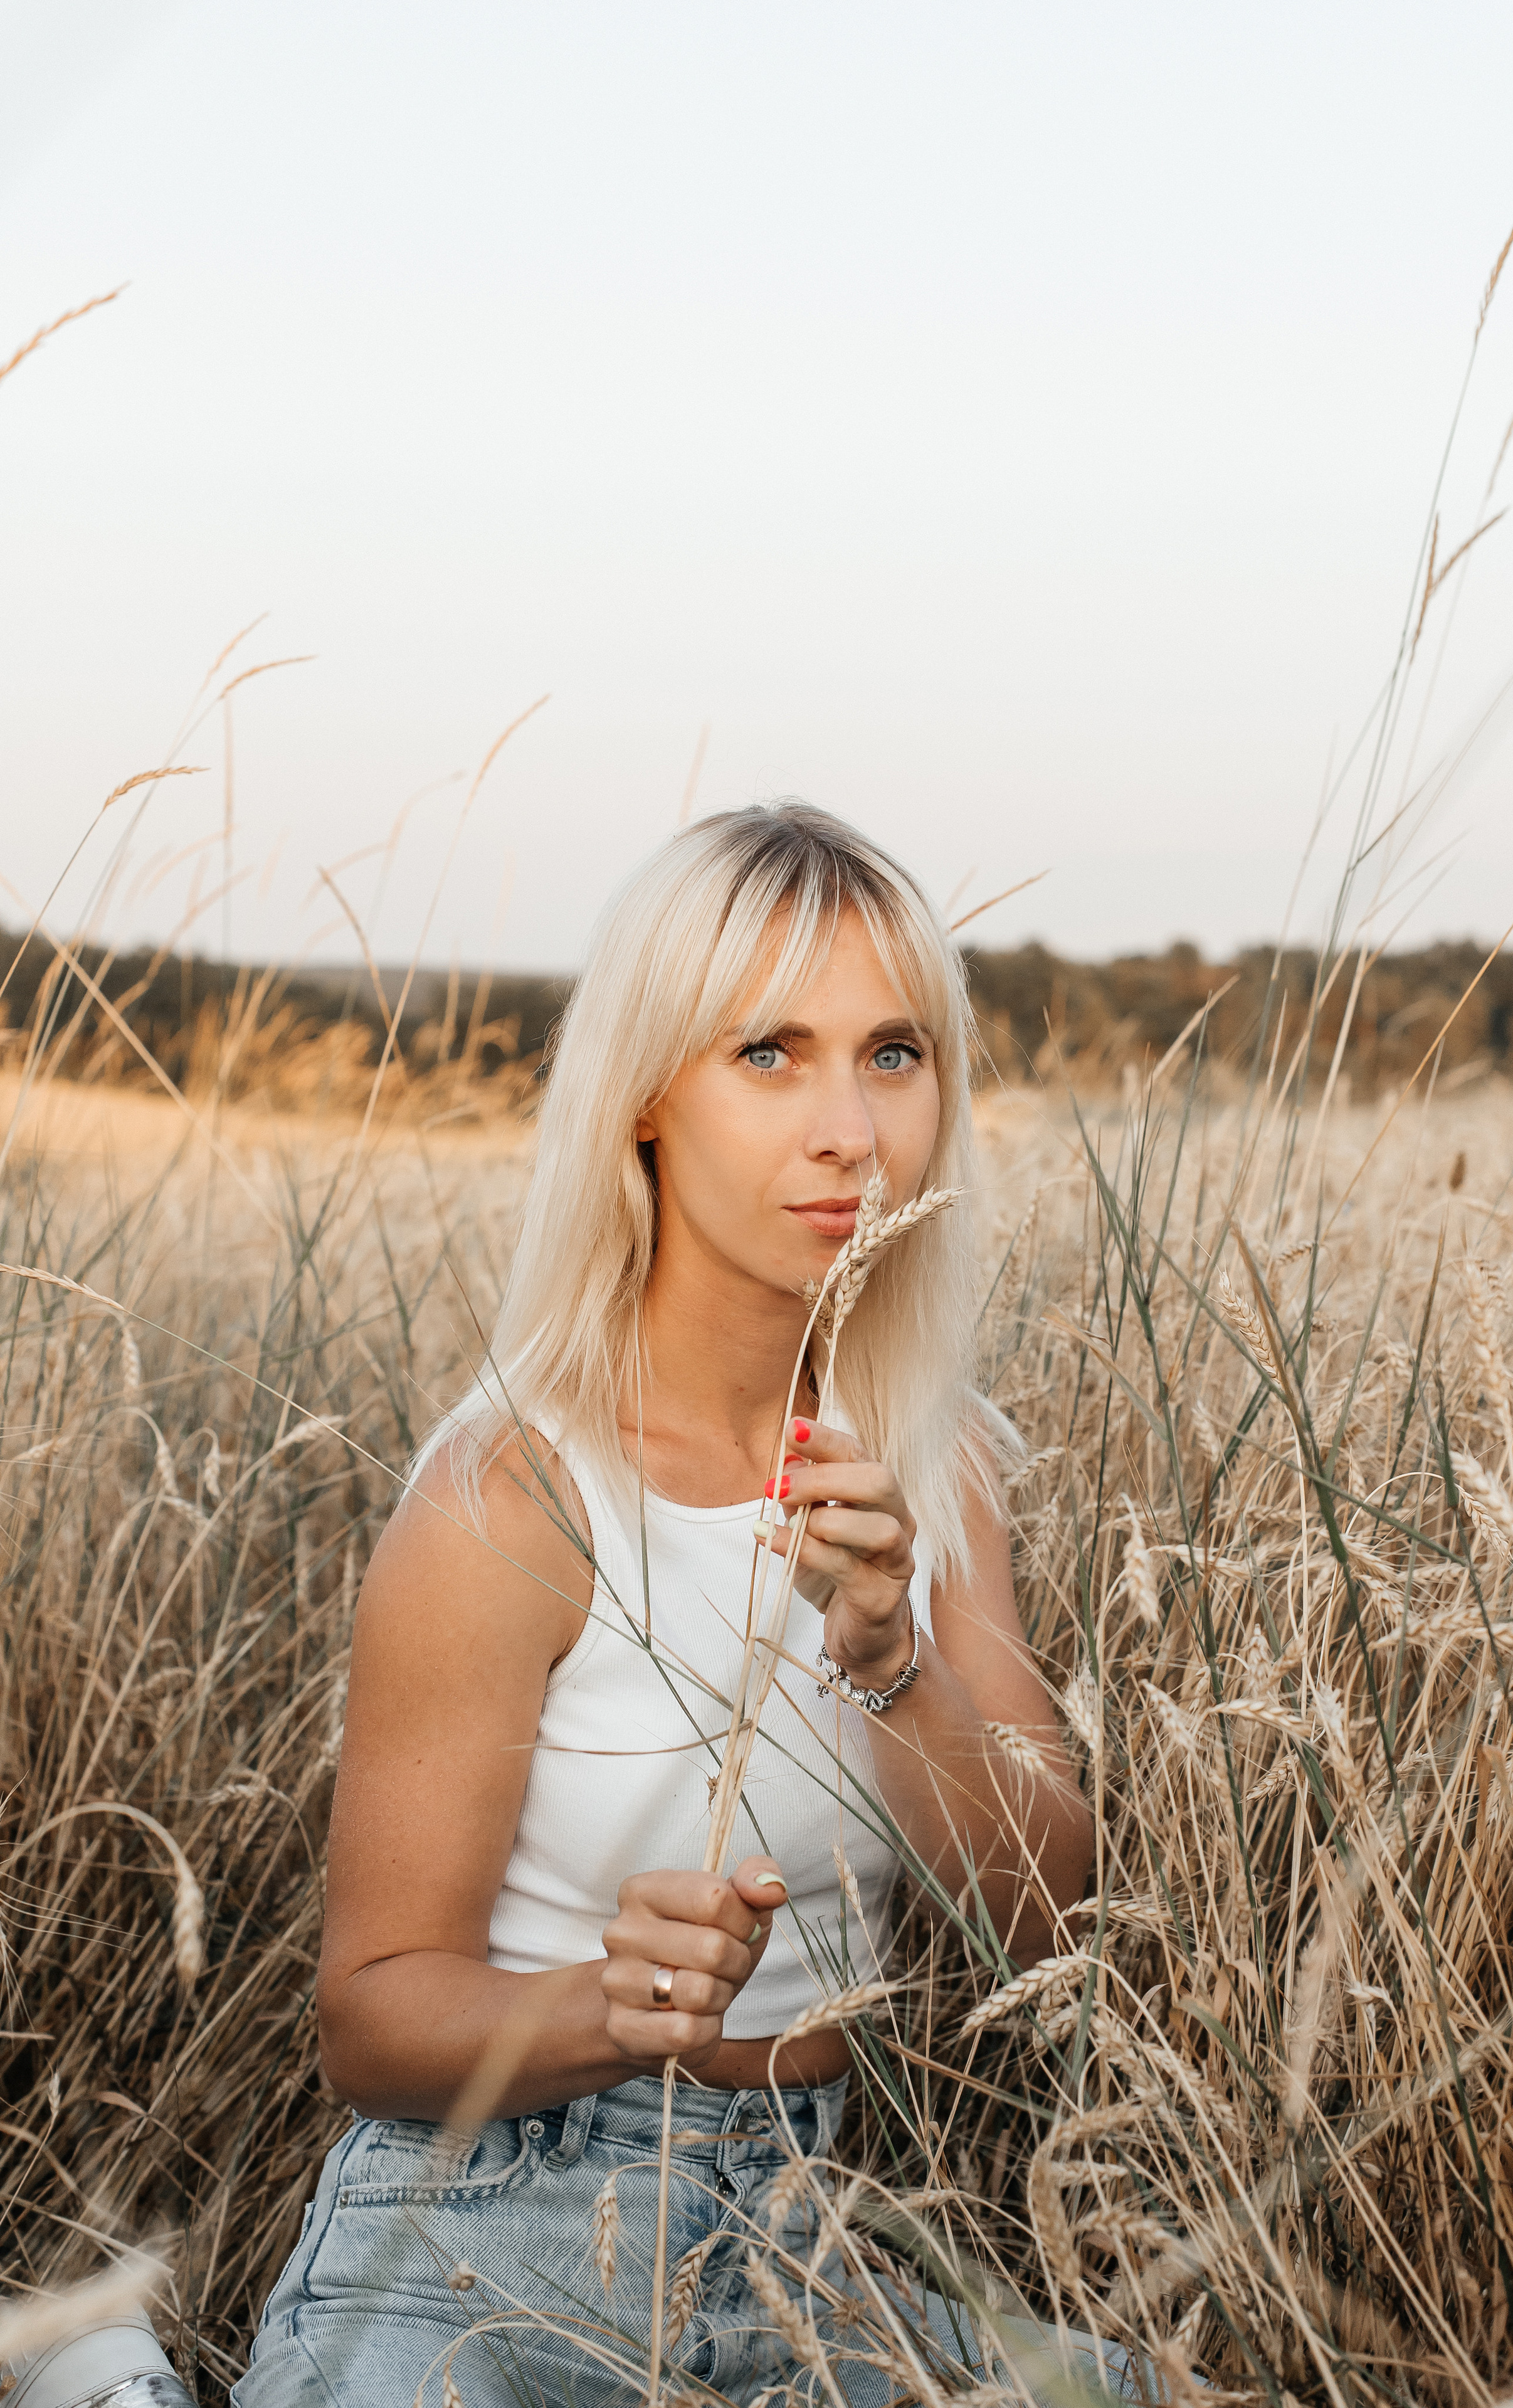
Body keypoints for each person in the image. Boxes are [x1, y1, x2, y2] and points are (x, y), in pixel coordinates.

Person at [233, 805, 1114, 2407]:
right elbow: (370, 2021)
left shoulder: (943, 1466)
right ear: (644, 1094)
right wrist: (606, 2005)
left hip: (800, 2232)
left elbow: (1037, 1926)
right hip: (480, 2227)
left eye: (893, 1054)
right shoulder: (513, 1493)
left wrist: (887, 1656)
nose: (851, 1128)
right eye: (769, 1052)